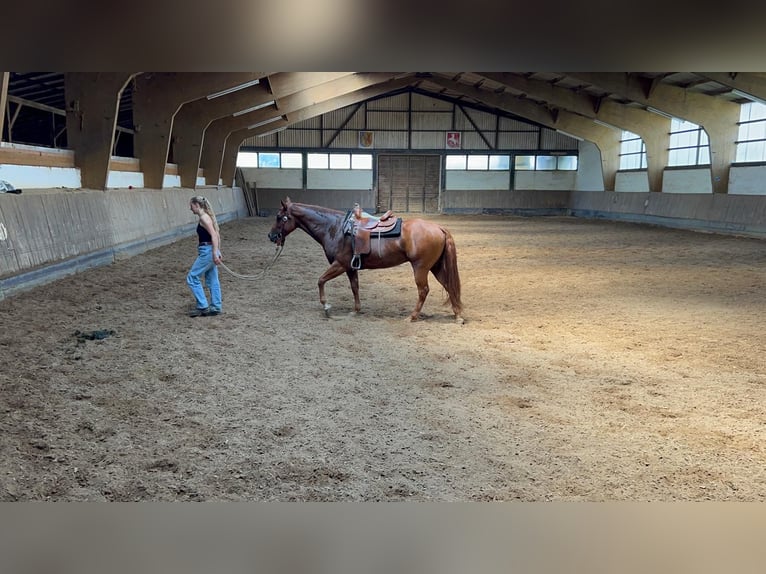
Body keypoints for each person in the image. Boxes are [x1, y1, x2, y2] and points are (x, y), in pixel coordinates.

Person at [186, 196, 223, 317]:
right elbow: (217, 234)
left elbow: (213, 235)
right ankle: (216, 306)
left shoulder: (204, 218)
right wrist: (217, 251)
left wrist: (214, 252)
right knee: (212, 279)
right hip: (210, 249)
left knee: (192, 277)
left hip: (207, 251)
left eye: (191, 205)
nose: (190, 208)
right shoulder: (208, 217)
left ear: (197, 205)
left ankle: (202, 305)